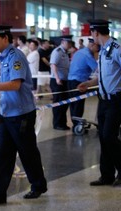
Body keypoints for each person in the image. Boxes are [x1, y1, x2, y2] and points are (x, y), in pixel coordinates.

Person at [0, 25, 47, 207]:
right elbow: (7, 83)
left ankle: (38, 185)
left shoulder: (16, 57)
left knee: (27, 152)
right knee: (3, 155)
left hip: (21, 114)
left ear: (6, 38)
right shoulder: (3, 57)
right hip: (7, 112)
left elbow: (15, 85)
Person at [78, 19, 121, 187]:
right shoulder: (103, 52)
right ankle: (107, 175)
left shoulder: (117, 49)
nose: (91, 37)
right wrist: (88, 84)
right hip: (102, 100)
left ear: (96, 33)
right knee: (103, 138)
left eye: (91, 33)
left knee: (109, 136)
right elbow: (102, 76)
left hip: (116, 100)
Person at [68, 38, 99, 130]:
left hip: (71, 81)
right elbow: (98, 69)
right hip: (79, 82)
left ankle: (75, 124)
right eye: (98, 47)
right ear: (92, 45)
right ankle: (77, 126)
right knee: (78, 105)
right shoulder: (88, 55)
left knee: (73, 104)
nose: (98, 49)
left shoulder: (79, 52)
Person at [50, 38, 71, 130]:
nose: (69, 44)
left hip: (64, 80)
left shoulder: (65, 52)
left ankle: (62, 123)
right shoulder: (57, 51)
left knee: (64, 103)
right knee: (58, 103)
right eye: (68, 42)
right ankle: (57, 124)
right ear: (63, 42)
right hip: (57, 81)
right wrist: (57, 78)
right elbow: (53, 64)